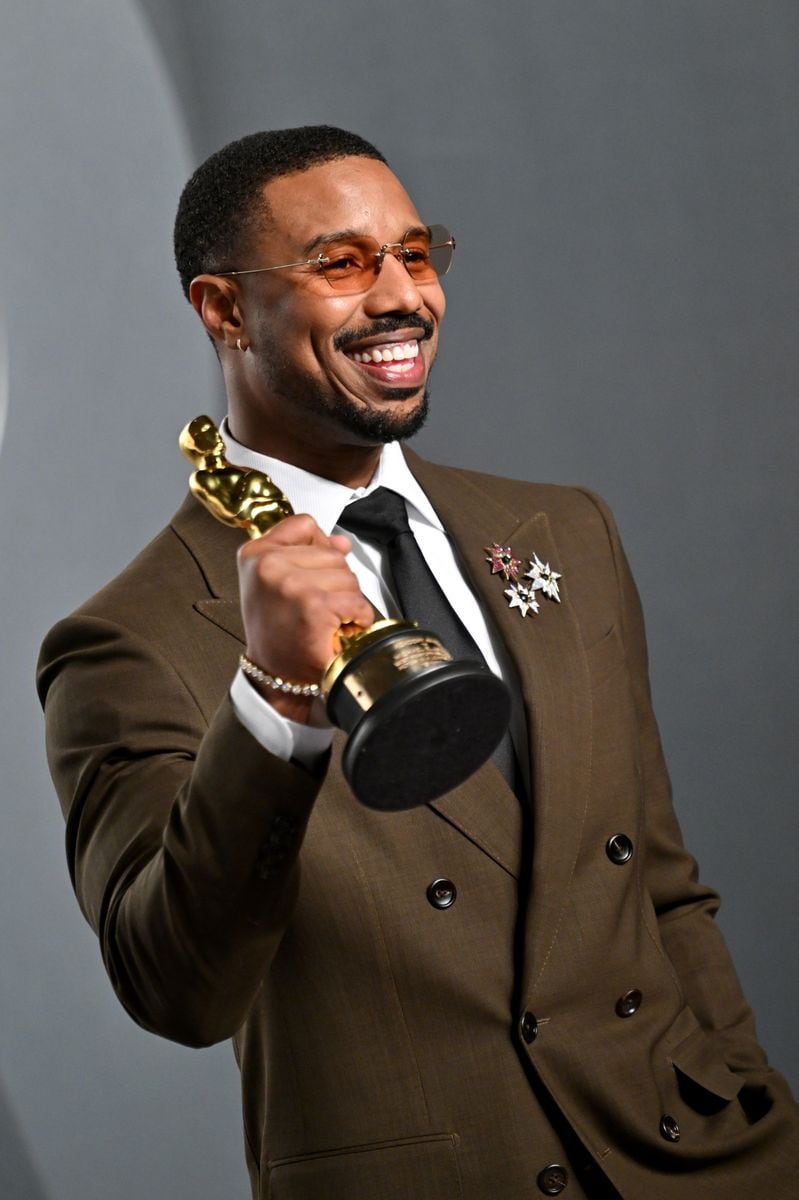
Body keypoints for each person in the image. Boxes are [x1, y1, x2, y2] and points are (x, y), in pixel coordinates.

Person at [37, 126, 798, 1199]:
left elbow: (659, 886)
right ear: (221, 309)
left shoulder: (563, 533)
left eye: (415, 253)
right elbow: (177, 989)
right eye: (341, 263)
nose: (401, 296)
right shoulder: (128, 638)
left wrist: (755, 1108)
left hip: (697, 1163)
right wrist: (276, 697)